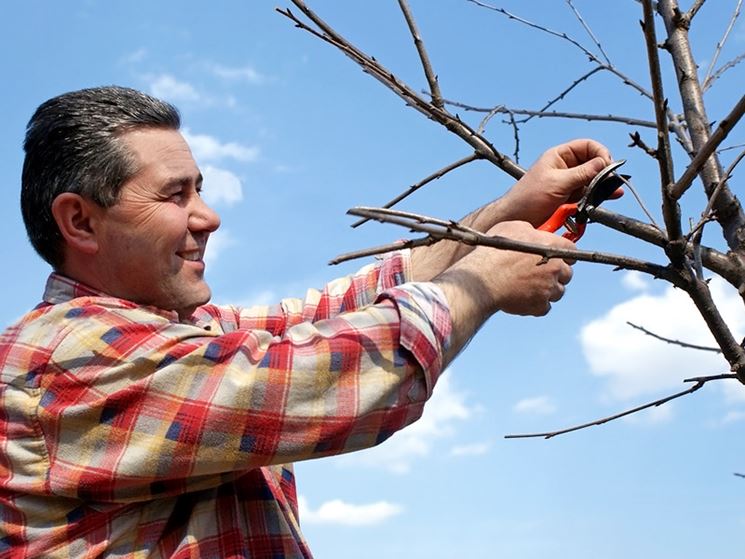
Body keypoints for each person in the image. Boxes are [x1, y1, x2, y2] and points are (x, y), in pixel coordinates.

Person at [0, 86, 612, 558]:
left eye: (200, 190)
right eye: (174, 195)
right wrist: (484, 281)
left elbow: (337, 311)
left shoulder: (181, 334)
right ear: (79, 222)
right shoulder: (67, 359)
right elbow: (317, 376)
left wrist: (510, 209)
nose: (207, 216)